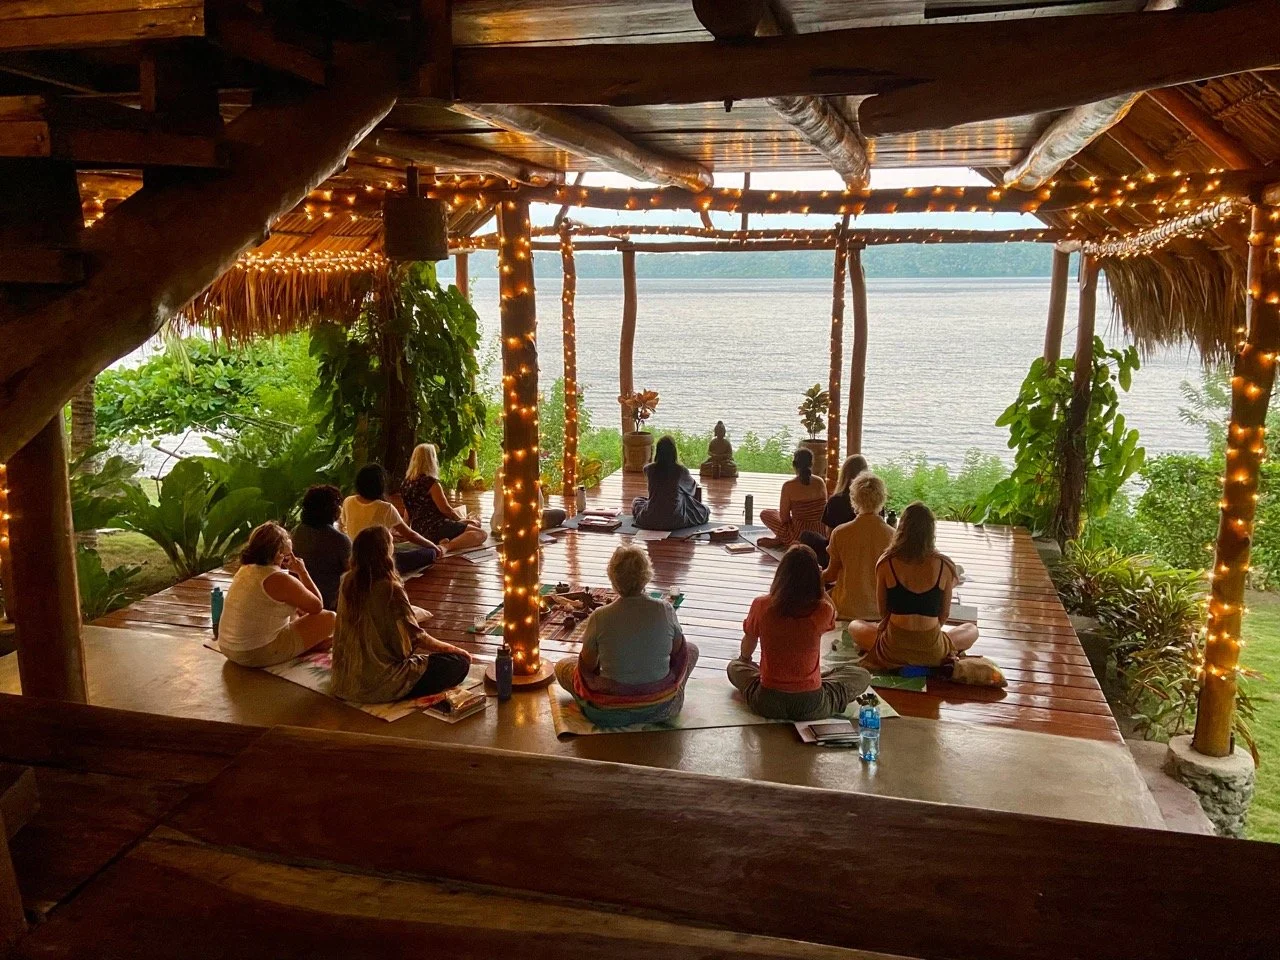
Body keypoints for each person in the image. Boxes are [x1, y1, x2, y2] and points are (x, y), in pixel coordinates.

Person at [555, 544, 698, 726]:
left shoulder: (600, 616)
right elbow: (678, 651)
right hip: (663, 708)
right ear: (646, 575)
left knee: (562, 666)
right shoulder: (665, 609)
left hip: (610, 711)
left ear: (613, 577)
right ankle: (665, 693)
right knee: (691, 650)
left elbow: (588, 667)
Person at [330, 526, 473, 703]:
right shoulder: (390, 589)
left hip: (343, 681)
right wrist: (455, 649)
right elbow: (415, 638)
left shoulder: (347, 580)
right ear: (385, 552)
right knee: (459, 663)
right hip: (380, 683)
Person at [728, 544, 871, 721]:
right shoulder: (822, 610)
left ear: (780, 575)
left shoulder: (761, 605)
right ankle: (816, 681)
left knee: (734, 667)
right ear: (814, 579)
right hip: (811, 704)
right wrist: (821, 584)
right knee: (861, 675)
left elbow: (747, 648)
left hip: (767, 702)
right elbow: (834, 612)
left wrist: (746, 662)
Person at [855, 502, 979, 669]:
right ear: (931, 532)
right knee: (972, 630)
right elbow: (944, 613)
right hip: (933, 652)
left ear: (901, 529)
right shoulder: (944, 565)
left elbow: (883, 611)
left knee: (854, 626)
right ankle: (941, 652)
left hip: (892, 650)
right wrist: (927, 634)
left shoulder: (886, 562)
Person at [216, 522, 336, 668]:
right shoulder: (278, 578)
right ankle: (306, 648)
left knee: (295, 610)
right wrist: (302, 572)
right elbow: (317, 606)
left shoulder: (244, 570)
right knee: (330, 618)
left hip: (228, 647)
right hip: (253, 653)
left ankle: (306, 645)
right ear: (279, 553)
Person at [823, 473, 894, 626]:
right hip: (878, 611)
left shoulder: (840, 533)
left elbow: (831, 574)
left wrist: (813, 576)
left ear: (854, 499)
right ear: (882, 499)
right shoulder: (893, 536)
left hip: (845, 609)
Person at [341, 463, 440, 573]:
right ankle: (441, 546)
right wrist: (434, 546)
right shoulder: (385, 508)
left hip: (355, 559)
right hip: (380, 563)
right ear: (380, 485)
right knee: (430, 553)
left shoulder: (348, 501)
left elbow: (344, 527)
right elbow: (411, 535)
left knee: (408, 547)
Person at [400, 443, 488, 553]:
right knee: (481, 534)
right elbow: (446, 510)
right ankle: (447, 546)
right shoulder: (431, 483)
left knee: (471, 523)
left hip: (418, 530)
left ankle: (443, 540)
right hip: (436, 527)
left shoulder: (406, 484)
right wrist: (460, 520)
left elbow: (407, 511)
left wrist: (407, 531)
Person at [798, 454, 869, 566]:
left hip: (837, 556)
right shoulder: (874, 502)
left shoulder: (836, 500)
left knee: (805, 536)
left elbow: (830, 535)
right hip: (865, 553)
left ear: (844, 474)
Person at [290, 485, 351, 611]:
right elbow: (353, 573)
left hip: (301, 600)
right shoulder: (339, 540)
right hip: (330, 604)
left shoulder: (296, 532)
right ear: (332, 509)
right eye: (338, 504)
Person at [632, 435, 710, 531]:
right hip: (674, 519)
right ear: (674, 452)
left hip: (651, 518)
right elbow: (692, 489)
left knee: (637, 501)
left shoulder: (648, 469)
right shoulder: (680, 470)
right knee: (704, 510)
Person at [759, 447, 828, 549]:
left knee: (766, 514)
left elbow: (784, 518)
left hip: (799, 535)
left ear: (794, 464)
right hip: (821, 534)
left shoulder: (788, 486)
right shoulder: (820, 482)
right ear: (811, 464)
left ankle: (782, 539)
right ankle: (781, 539)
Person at [491, 465, 568, 536]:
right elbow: (538, 505)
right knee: (560, 514)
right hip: (526, 525)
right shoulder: (529, 470)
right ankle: (540, 523)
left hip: (498, 524)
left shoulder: (500, 470)